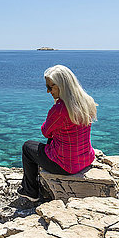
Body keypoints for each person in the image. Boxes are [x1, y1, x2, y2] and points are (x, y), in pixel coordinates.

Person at [18, 64, 97, 201]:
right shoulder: (87, 101)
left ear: (62, 85)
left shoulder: (59, 109)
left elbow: (45, 132)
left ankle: (30, 191)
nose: (48, 91)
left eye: (50, 87)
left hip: (66, 165)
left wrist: (54, 110)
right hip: (85, 159)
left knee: (27, 147)